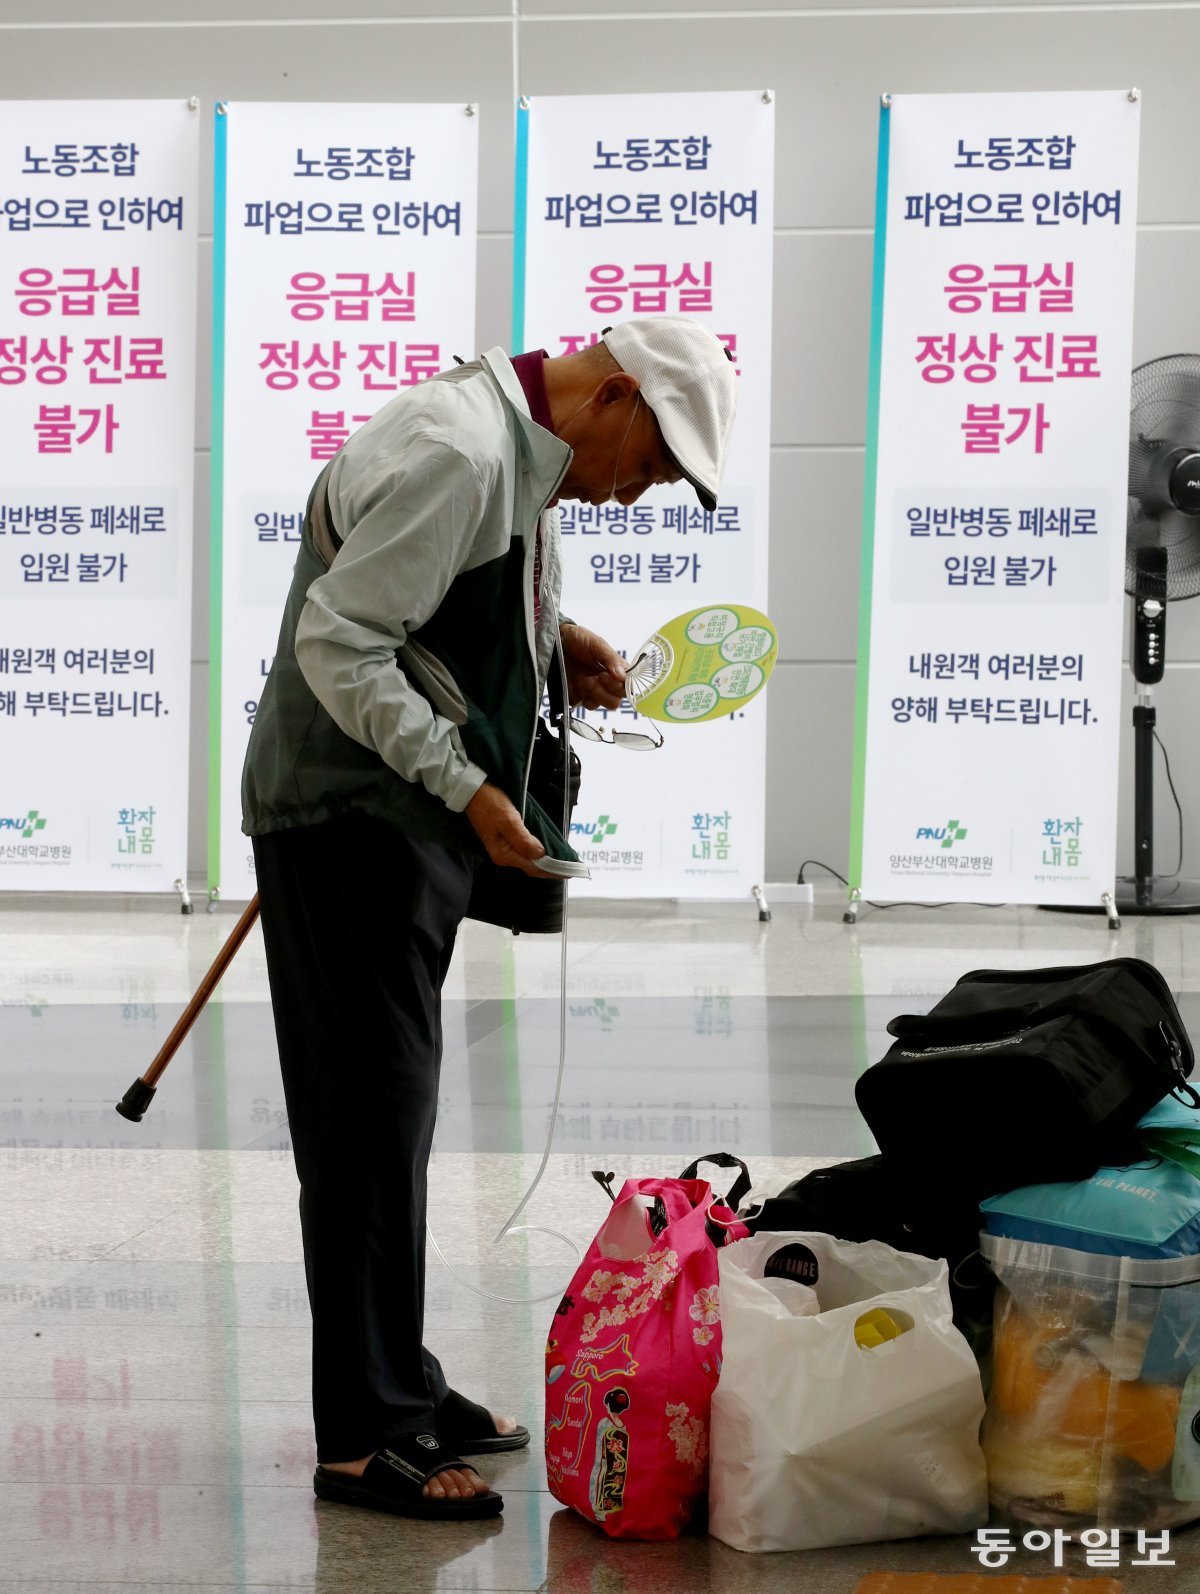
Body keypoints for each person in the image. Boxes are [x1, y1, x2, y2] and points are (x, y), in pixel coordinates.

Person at [240, 316, 738, 1521]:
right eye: (656, 466)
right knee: (365, 1122)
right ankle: (365, 1434)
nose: (637, 497)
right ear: (617, 395)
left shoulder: (523, 453)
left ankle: (396, 1375)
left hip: (398, 812)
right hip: (355, 811)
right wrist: (467, 784)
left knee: (390, 1108)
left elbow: (432, 613)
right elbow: (340, 639)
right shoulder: (460, 451)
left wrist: (556, 646)